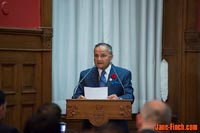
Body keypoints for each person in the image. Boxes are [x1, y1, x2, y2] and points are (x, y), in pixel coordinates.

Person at [73, 43, 134, 132]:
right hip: (91, 125)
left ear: (111, 57)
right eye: (96, 56)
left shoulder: (123, 74)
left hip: (116, 125)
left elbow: (130, 96)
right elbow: (76, 95)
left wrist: (119, 98)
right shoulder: (85, 74)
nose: (99, 59)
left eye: (103, 56)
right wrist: (79, 98)